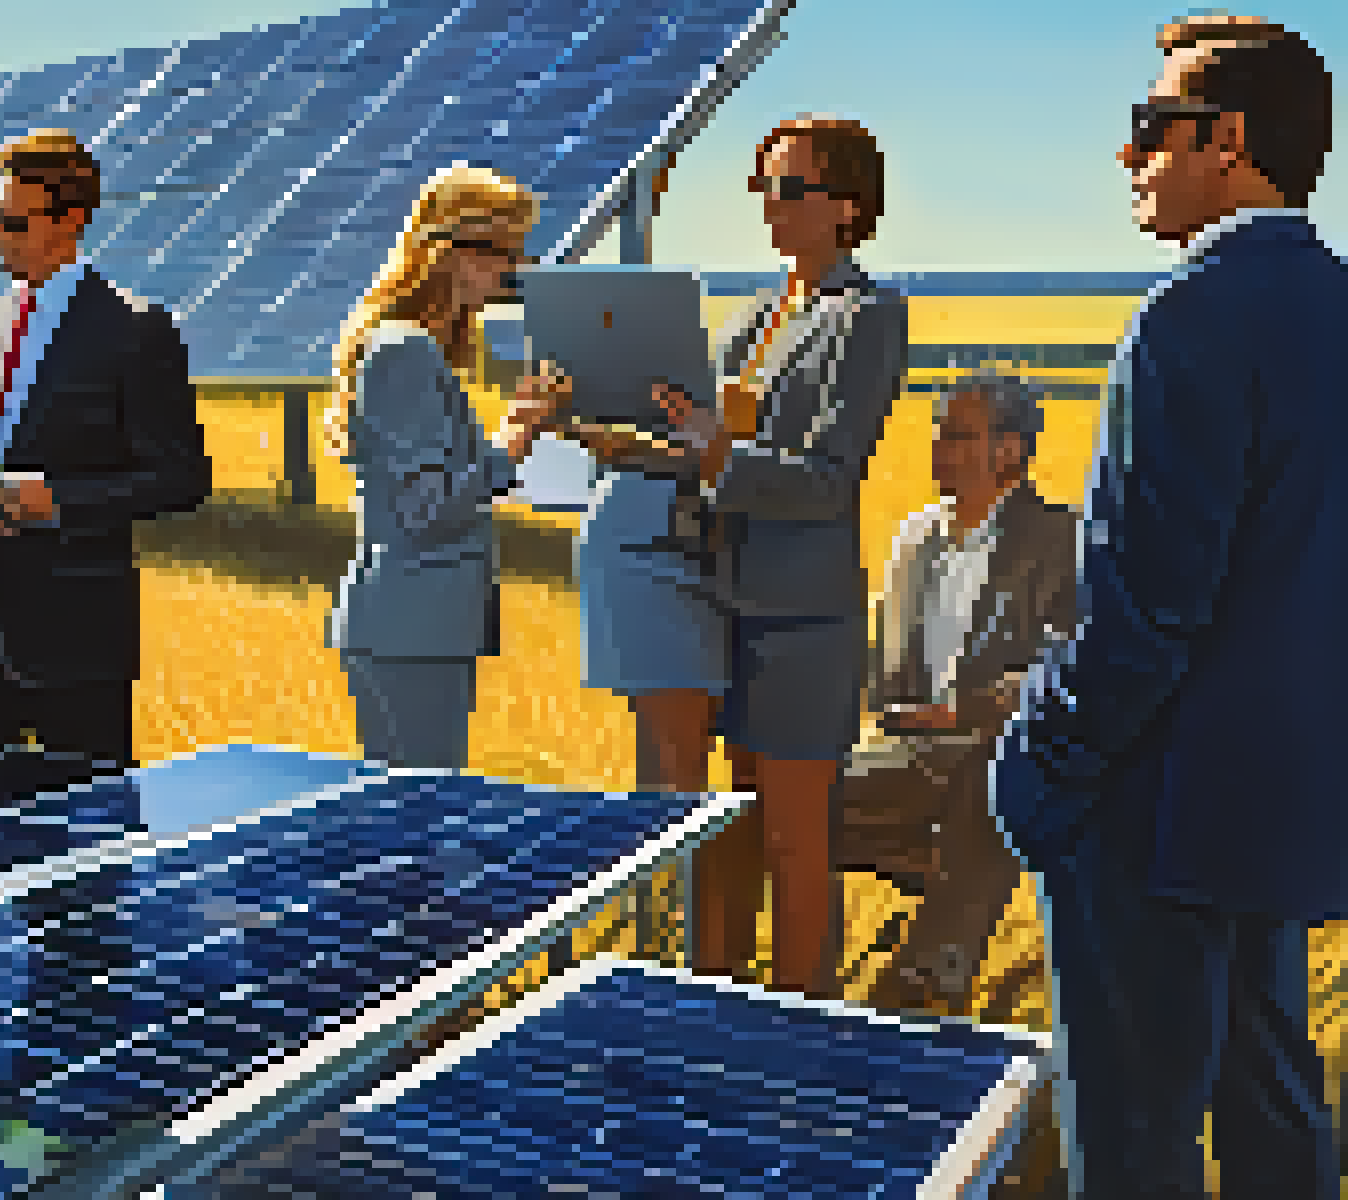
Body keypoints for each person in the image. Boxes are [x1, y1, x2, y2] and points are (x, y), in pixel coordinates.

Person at [991, 16, 1342, 1196]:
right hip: (1288, 801)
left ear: (1224, 140)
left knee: (1134, 1142)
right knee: (1278, 1115)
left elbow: (1149, 609)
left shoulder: (1190, 315)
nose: (1129, 154)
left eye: (1151, 126)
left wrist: (1042, 759)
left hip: (1157, 803)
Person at [569, 116, 906, 998]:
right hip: (721, 602)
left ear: (847, 205)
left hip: (801, 619)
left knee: (796, 839)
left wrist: (712, 451)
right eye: (762, 186)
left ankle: (802, 1029)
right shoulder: (758, 314)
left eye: (789, 188)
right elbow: (704, 454)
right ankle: (718, 1003)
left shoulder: (866, 315)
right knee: (730, 830)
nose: (769, 204)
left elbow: (827, 481)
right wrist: (630, 446)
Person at [0, 129, 211, 768]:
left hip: (75, 642)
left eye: (15, 223)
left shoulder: (133, 331)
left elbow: (181, 479)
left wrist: (58, 501)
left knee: (89, 822)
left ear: (72, 220)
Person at [839, 370, 1076, 1018]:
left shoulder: (1061, 540)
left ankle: (927, 977)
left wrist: (966, 711)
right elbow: (882, 669)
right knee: (791, 804)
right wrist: (895, 711)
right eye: (940, 433)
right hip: (908, 750)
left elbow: (1067, 665)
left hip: (1000, 747)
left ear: (1010, 450)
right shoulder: (913, 540)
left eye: (959, 435)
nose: (940, 448)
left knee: (996, 769)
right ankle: (807, 983)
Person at [324, 165, 568, 769]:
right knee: (417, 810)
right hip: (412, 629)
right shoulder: (405, 351)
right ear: (451, 253)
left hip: (414, 627)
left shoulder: (410, 347)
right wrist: (516, 436)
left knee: (413, 805)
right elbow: (429, 510)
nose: (516, 271)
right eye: (505, 252)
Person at [570, 162, 729, 793]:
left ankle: (675, 854)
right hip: (637, 556)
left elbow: (711, 453)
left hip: (669, 557)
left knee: (676, 758)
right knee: (664, 756)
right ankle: (664, 853)